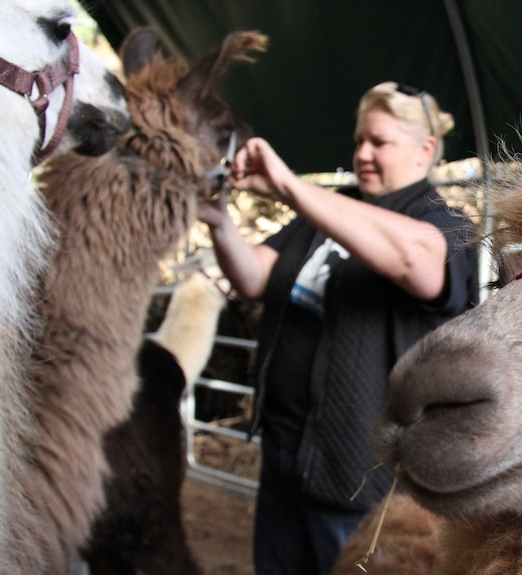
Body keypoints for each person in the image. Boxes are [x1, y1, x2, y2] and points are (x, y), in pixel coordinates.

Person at [198, 81, 478, 575]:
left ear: (425, 151)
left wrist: (290, 186)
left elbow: (416, 257)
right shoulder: (324, 209)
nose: (363, 154)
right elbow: (255, 276)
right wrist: (218, 219)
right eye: (359, 141)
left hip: (363, 483)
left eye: (380, 142)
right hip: (287, 455)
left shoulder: (442, 222)